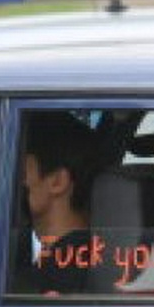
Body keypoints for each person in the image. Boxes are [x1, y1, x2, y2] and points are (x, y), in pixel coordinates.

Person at [16, 113, 99, 295]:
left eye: (20, 171)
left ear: (57, 181)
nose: (11, 182)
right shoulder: (98, 257)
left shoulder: (57, 273)